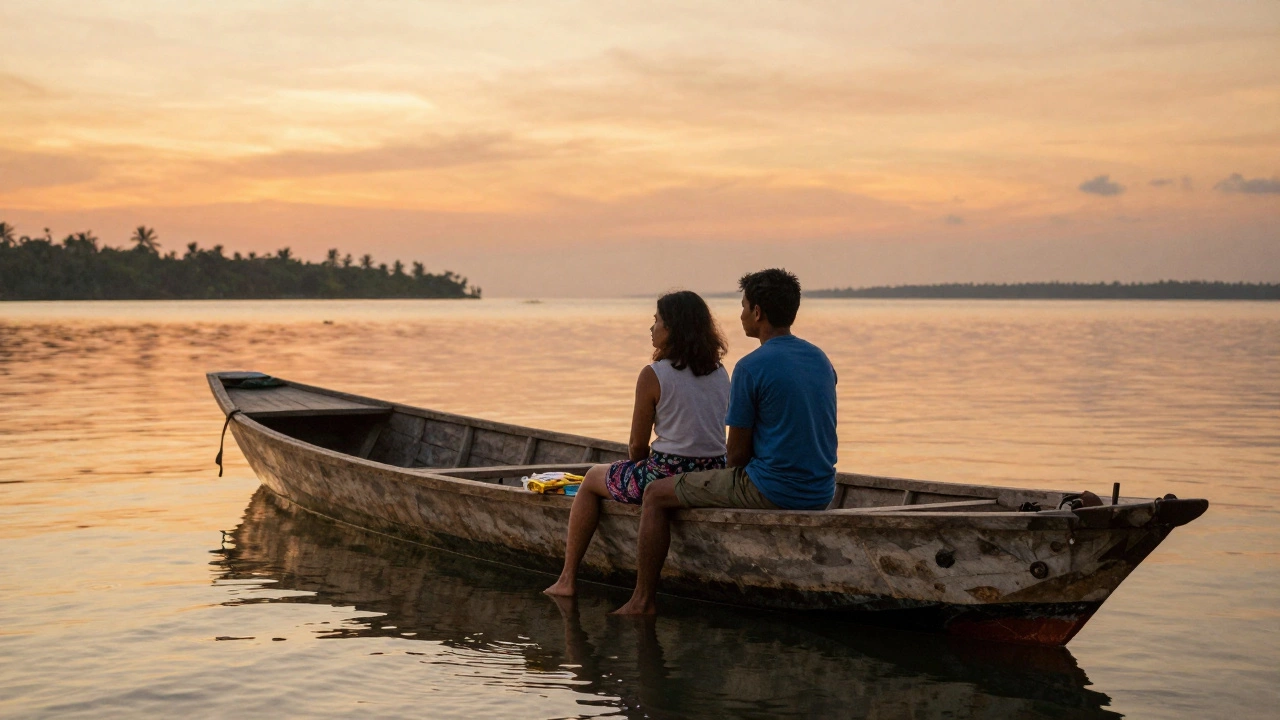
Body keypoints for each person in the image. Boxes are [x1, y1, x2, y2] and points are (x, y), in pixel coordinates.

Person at [612, 268, 837, 615]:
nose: (741, 314)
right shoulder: (820, 358)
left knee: (656, 494)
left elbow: (735, 457)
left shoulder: (751, 366)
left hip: (773, 489)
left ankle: (642, 600)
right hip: (822, 490)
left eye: (744, 306)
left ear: (758, 313)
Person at [544, 290, 730, 597]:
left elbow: (636, 447)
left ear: (673, 329)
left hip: (668, 473)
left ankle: (567, 580)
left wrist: (639, 464)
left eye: (657, 321)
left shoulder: (653, 374)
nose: (652, 328)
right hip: (712, 472)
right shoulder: (719, 371)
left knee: (592, 477)